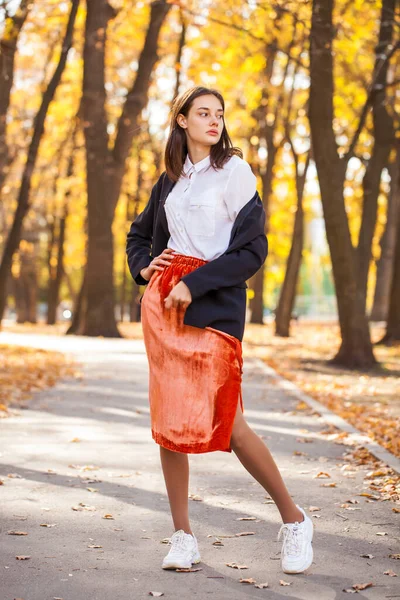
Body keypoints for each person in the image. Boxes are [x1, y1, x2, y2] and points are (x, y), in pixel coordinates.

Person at [126, 85, 314, 575]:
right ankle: (182, 535)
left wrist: (196, 282)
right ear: (182, 120)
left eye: (219, 114)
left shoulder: (234, 172)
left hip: (215, 307)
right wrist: (146, 267)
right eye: (203, 113)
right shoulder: (170, 179)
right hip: (164, 306)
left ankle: (294, 520)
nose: (214, 121)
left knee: (226, 422)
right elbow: (138, 235)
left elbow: (253, 251)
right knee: (169, 425)